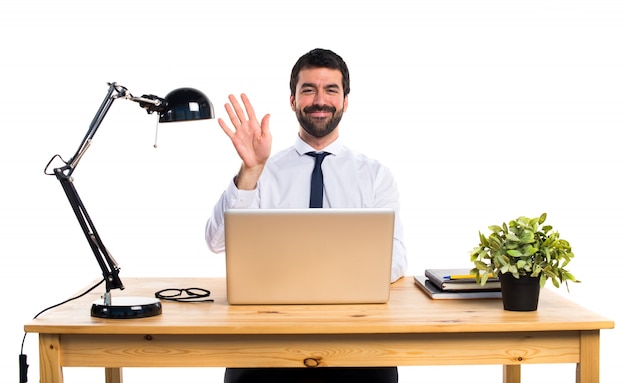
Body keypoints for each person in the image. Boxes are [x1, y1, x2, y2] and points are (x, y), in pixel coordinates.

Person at [205, 48, 408, 383]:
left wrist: (332, 278)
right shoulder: (262, 170)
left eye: (331, 90)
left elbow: (397, 256)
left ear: (345, 101)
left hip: (355, 334)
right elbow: (215, 242)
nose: (320, 100)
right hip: (267, 335)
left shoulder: (374, 174)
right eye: (308, 89)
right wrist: (250, 169)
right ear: (292, 100)